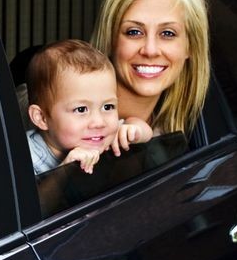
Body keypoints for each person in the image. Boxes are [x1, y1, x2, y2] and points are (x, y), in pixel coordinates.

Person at [92, 0, 210, 137]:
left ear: (190, 46)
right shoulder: (70, 131)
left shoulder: (168, 136)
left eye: (168, 33)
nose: (150, 50)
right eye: (134, 32)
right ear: (110, 39)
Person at [25, 39, 149, 175]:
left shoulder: (103, 136)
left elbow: (146, 132)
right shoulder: (25, 155)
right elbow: (38, 190)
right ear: (42, 118)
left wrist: (133, 131)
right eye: (81, 109)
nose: (99, 123)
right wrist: (64, 170)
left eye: (108, 107)